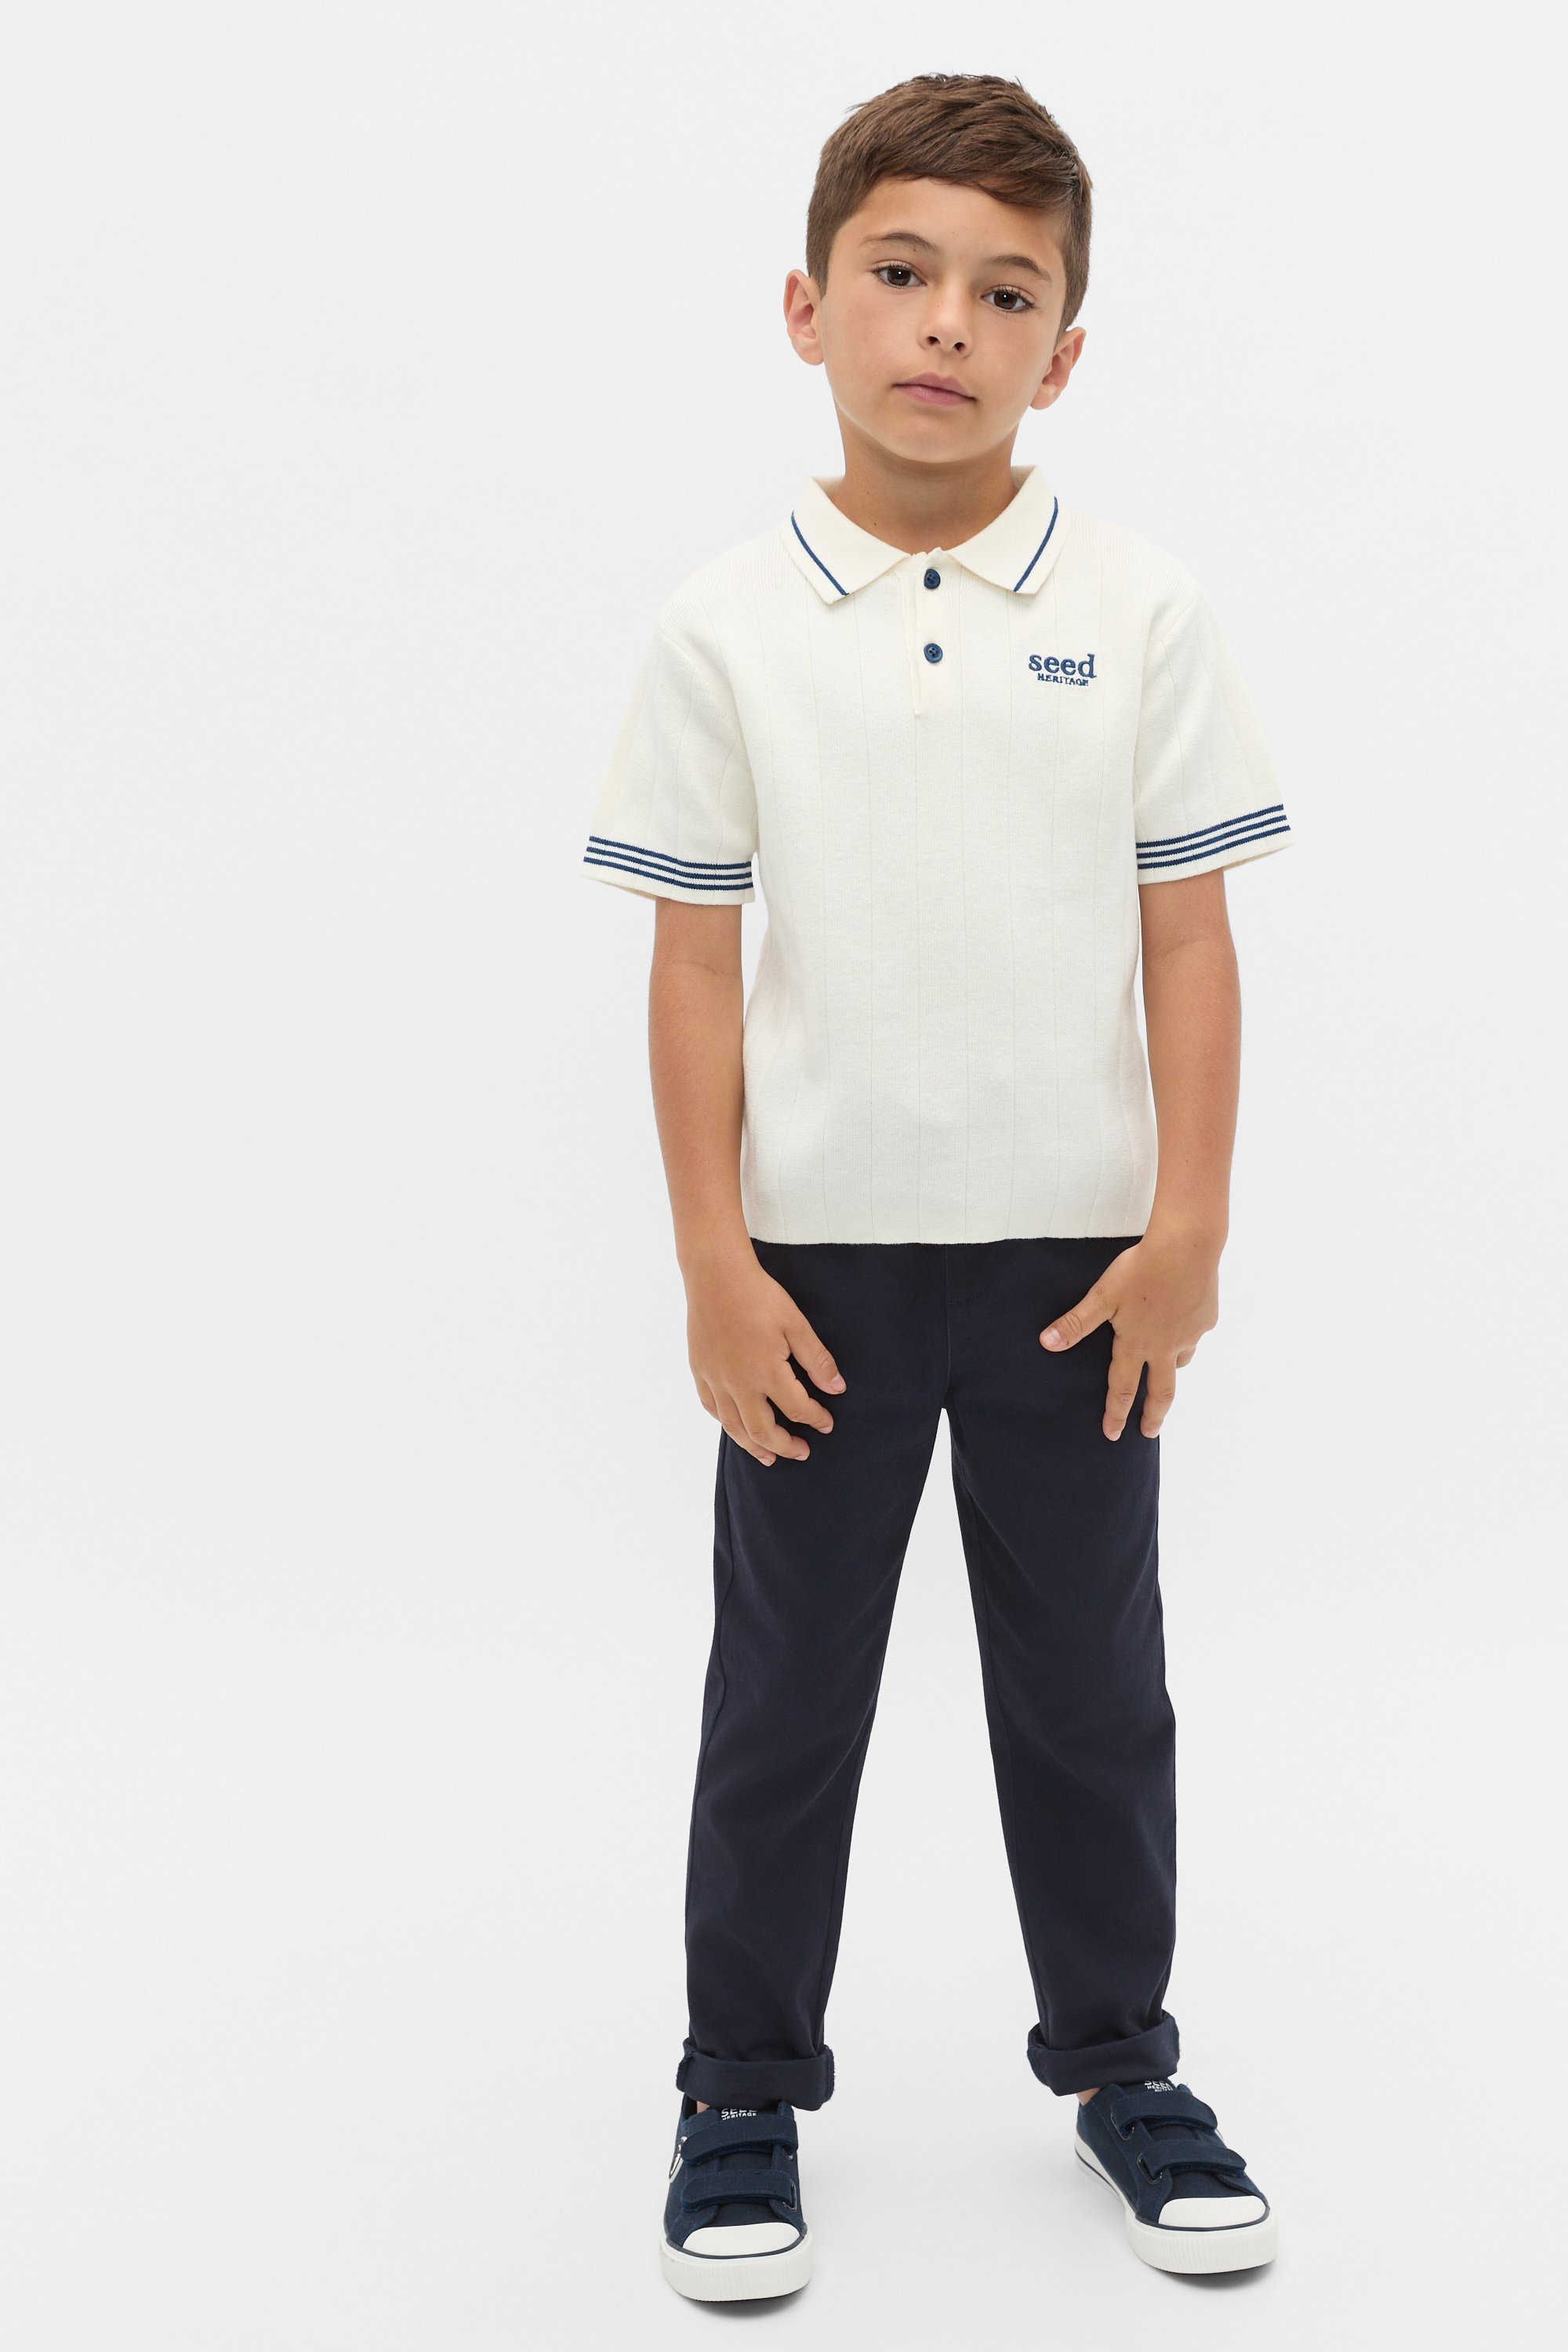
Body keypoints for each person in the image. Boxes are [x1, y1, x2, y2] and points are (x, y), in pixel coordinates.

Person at [579, 72, 1290, 2301]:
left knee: (1088, 1686)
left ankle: (1123, 2065)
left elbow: (1190, 939)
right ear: (808, 307)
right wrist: (714, 1263)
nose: (947, 325)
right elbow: (696, 969)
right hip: (816, 1274)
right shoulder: (726, 627)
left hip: (1083, 1269)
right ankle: (738, 2089)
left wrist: (1189, 1230)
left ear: (1064, 351)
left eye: (1007, 292)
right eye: (901, 273)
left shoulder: (1140, 609)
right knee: (789, 1694)